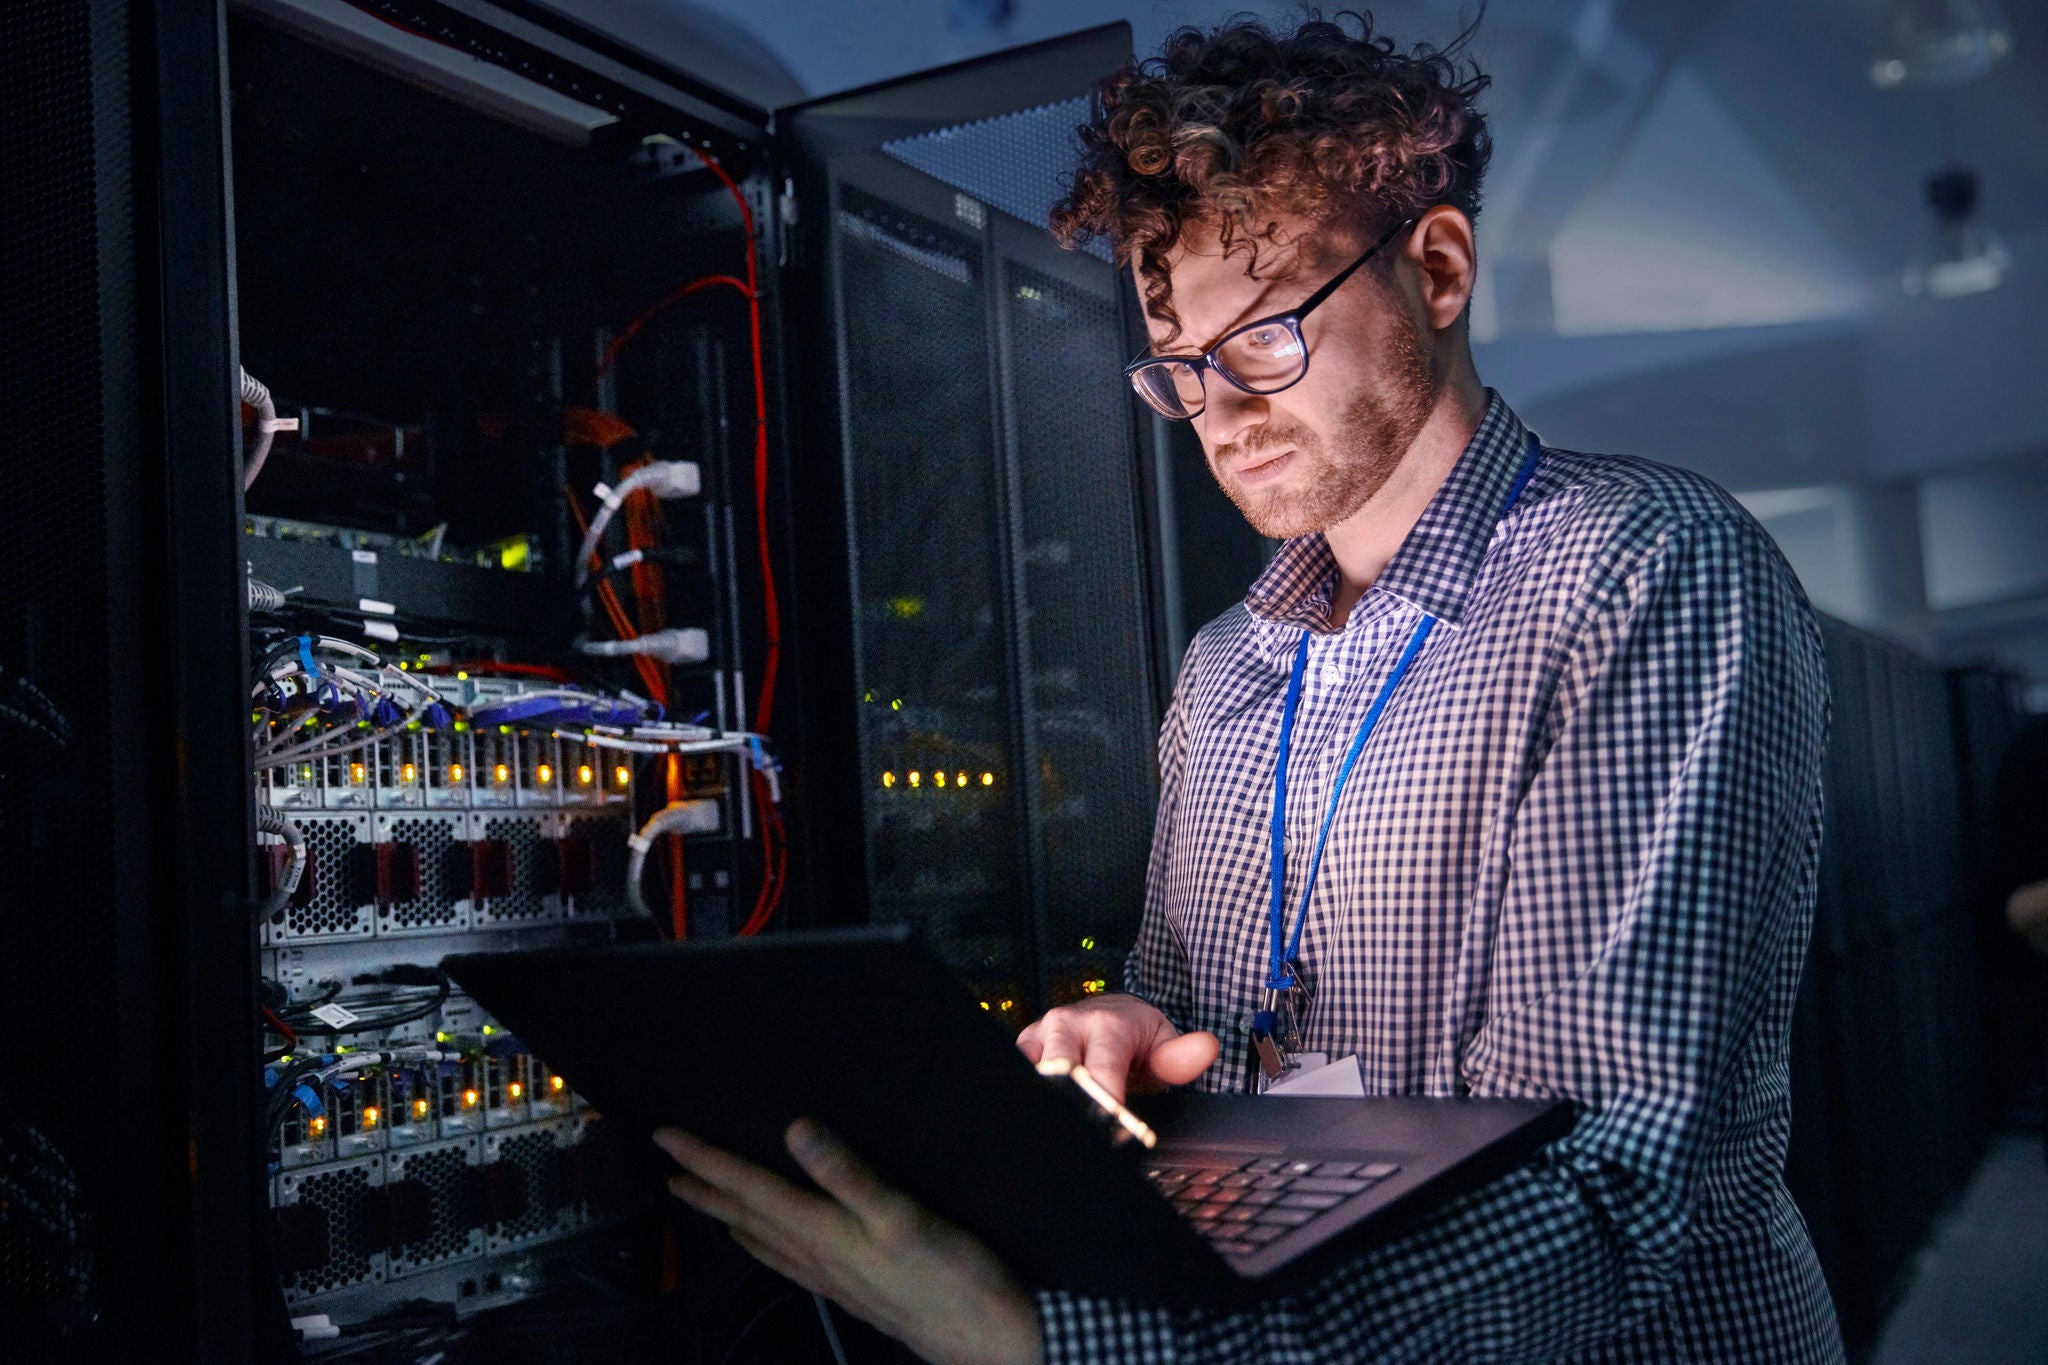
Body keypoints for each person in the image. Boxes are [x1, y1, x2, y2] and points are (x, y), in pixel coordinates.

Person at [654, 14, 1846, 1362]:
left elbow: (1608, 1187)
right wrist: (1134, 1032)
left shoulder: (1639, 573)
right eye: (1180, 364)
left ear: (1437, 270)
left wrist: (1050, 1345)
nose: (1221, 409)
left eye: (1268, 336)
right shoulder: (1228, 668)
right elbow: (1194, 1028)